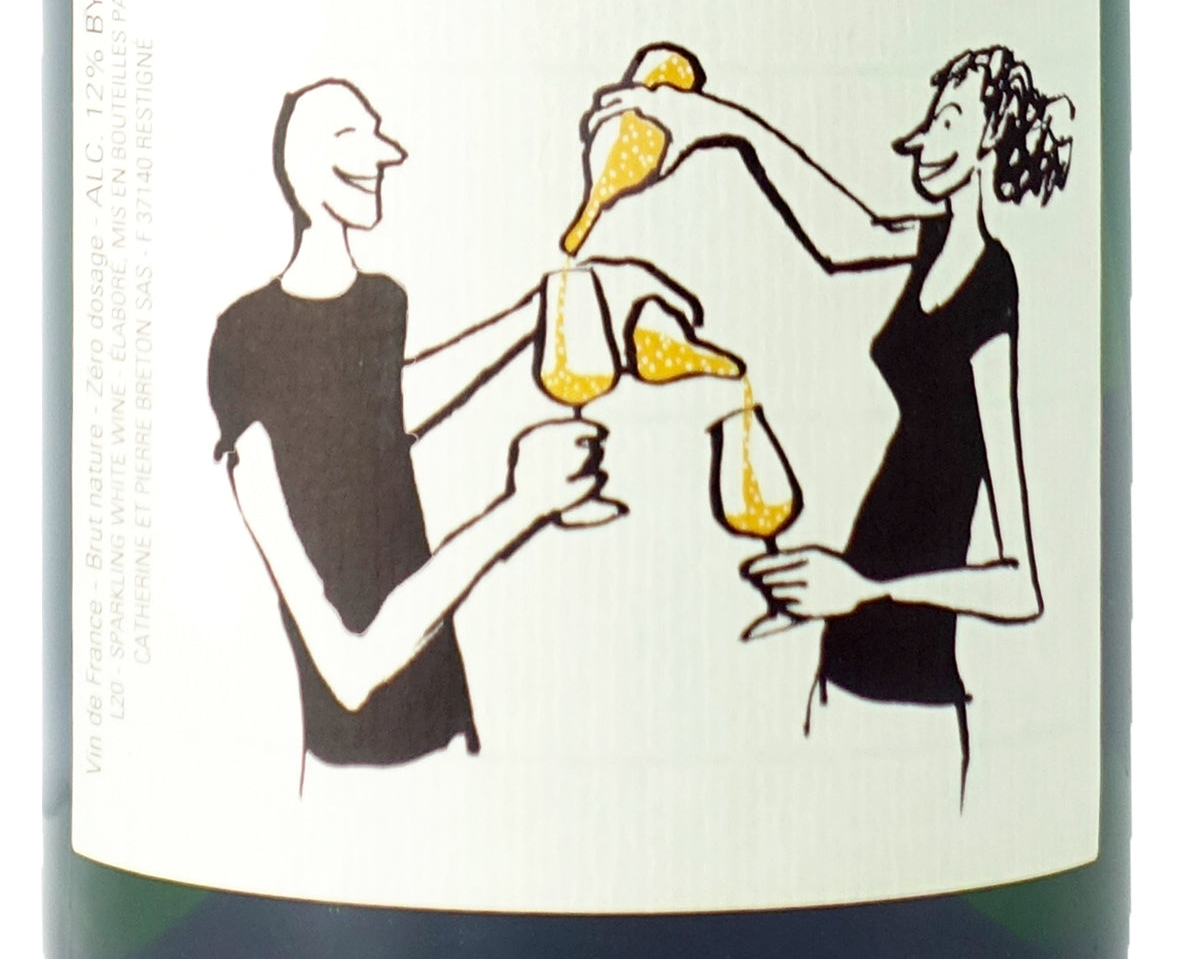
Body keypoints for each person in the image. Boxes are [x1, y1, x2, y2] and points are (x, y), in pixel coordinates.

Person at [584, 46, 1074, 795]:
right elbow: (842, 237)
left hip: (912, 688)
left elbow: (1020, 586)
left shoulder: (990, 287)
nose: (926, 135)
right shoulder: (931, 244)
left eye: (951, 118)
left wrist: (863, 589)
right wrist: (720, 123)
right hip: (846, 654)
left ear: (989, 143)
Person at [209, 77, 687, 784]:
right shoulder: (245, 340)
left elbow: (376, 416)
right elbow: (350, 671)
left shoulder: (380, 302)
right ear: (299, 165)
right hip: (356, 777)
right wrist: (522, 507)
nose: (385, 153)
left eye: (378, 133)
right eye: (351, 137)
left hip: (452, 734)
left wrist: (547, 306)